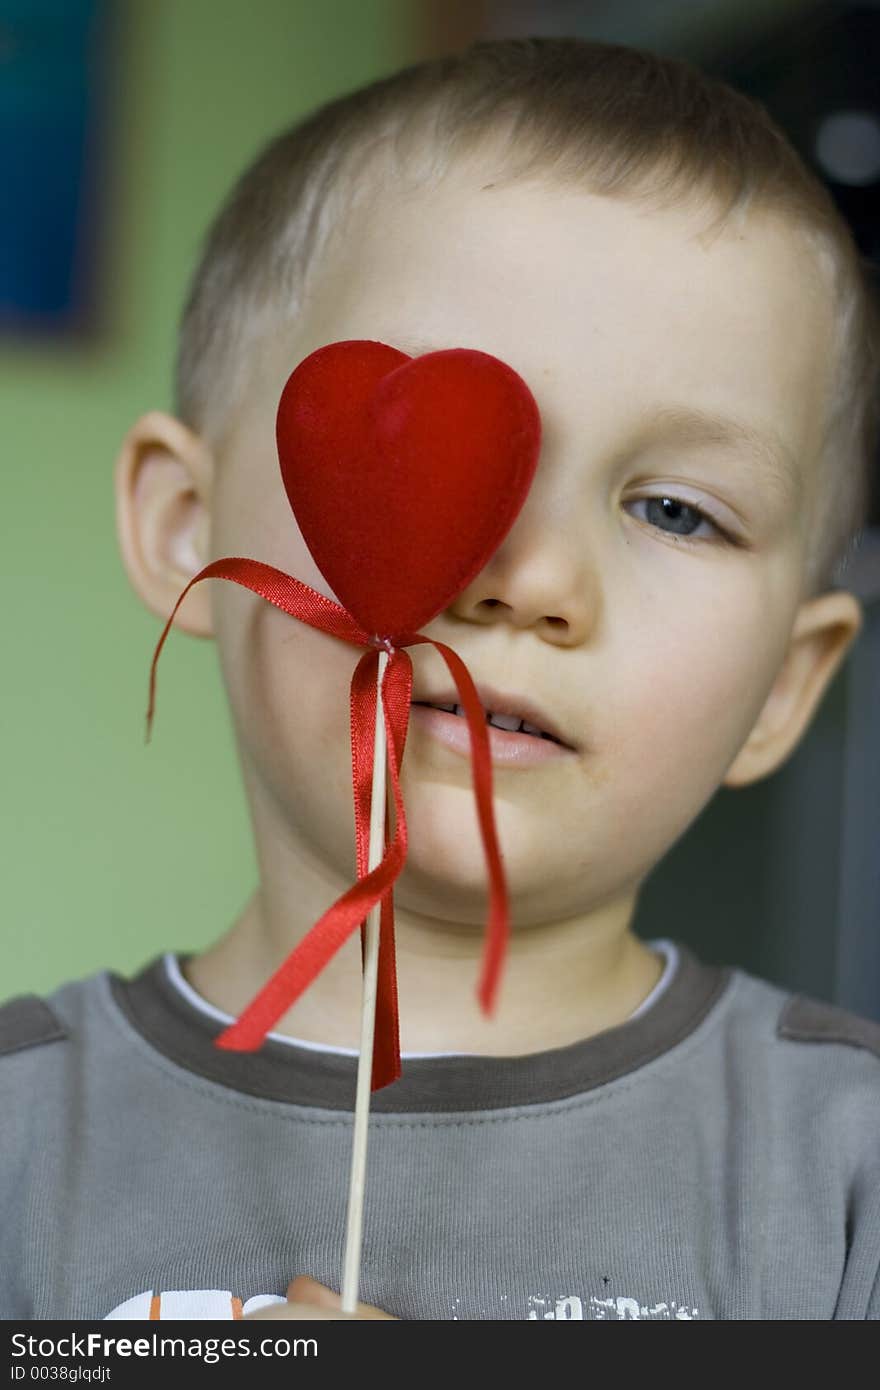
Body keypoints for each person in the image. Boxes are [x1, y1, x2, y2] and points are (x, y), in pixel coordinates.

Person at [3, 35, 879, 1323]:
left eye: (678, 512)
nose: (532, 579)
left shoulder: (846, 1171)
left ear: (787, 689)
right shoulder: (24, 1139)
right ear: (189, 524)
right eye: (425, 459)